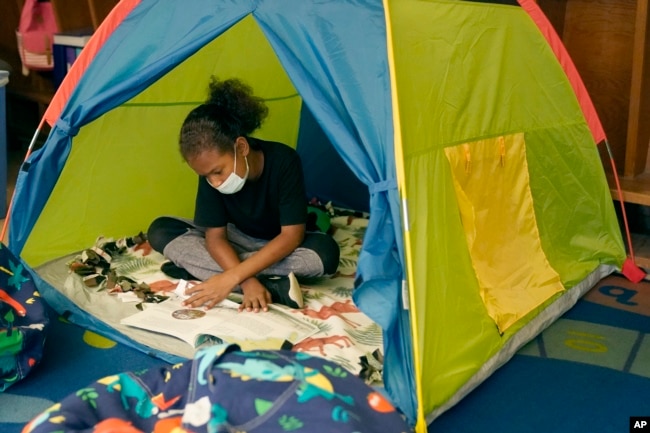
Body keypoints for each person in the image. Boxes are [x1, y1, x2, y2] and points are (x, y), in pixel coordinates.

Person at [147, 77, 340, 313]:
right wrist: (246, 280)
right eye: (207, 176)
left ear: (241, 147)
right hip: (235, 238)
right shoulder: (209, 172)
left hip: (279, 243)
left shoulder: (284, 160)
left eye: (218, 172)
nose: (214, 182)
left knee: (325, 254)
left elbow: (292, 236)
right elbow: (215, 238)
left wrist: (232, 275)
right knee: (160, 229)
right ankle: (269, 286)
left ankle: (206, 271)